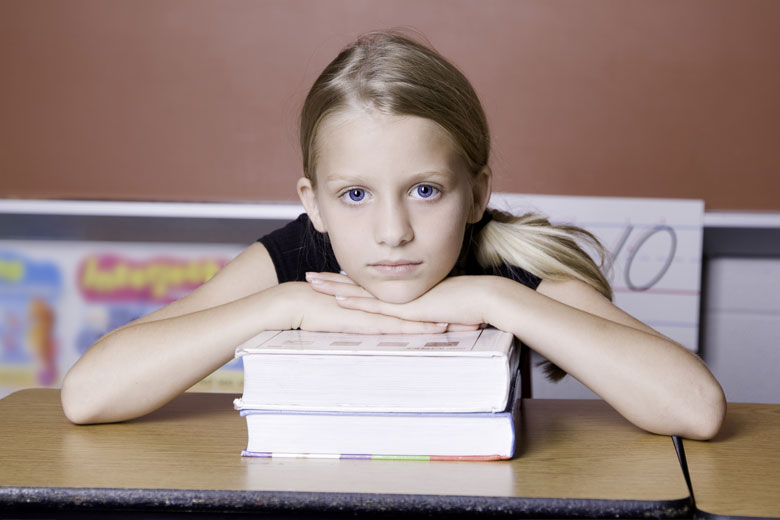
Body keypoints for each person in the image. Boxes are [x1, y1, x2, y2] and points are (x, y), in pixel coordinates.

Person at [61, 31, 725, 439]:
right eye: (354, 195)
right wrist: (283, 305)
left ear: (478, 194)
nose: (391, 232)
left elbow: (695, 409)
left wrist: (495, 301)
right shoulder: (299, 258)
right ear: (313, 203)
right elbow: (89, 395)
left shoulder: (504, 265)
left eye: (425, 190)